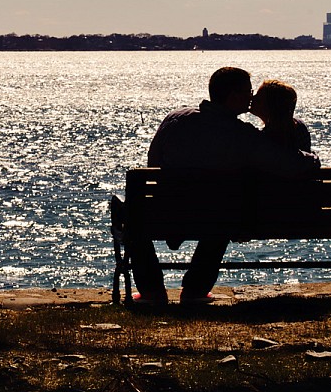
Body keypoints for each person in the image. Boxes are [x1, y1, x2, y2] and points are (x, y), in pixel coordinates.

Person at [131, 67, 319, 305]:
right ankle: (195, 290)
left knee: (131, 216)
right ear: (233, 96)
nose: (251, 98)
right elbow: (291, 164)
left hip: (165, 211)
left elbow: (154, 160)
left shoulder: (175, 119)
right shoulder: (243, 136)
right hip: (213, 218)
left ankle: (152, 292)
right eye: (248, 92)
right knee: (222, 211)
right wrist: (313, 158)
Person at [249, 79, 313, 154]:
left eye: (258, 97)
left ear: (270, 107)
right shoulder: (299, 126)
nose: (252, 98)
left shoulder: (267, 139)